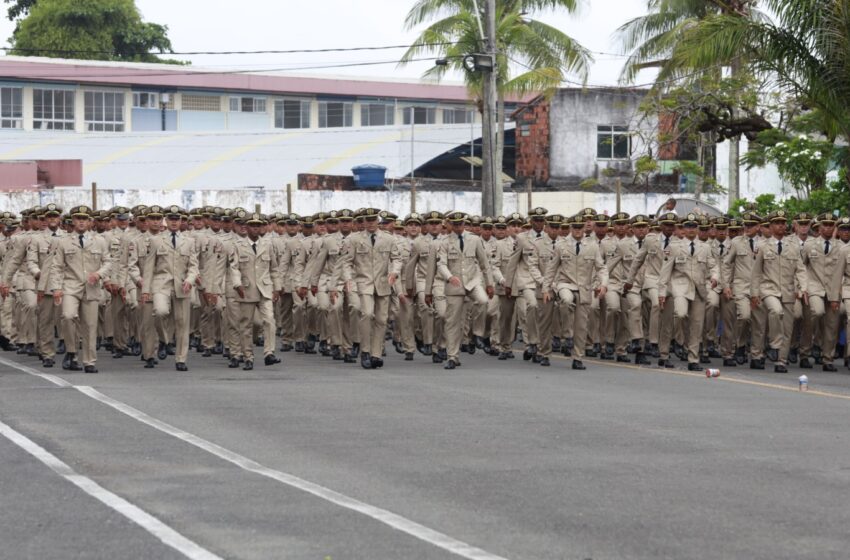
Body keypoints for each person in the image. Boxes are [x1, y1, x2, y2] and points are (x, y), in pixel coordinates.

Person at [48, 205, 112, 373]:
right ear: (73, 221)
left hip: (91, 288)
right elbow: (56, 267)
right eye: (78, 219)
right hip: (70, 286)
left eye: (84, 219)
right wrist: (56, 288)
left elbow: (108, 262)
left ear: (90, 221)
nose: (81, 222)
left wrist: (99, 274)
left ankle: (89, 361)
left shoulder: (99, 241)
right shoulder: (63, 241)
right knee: (68, 317)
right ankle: (71, 351)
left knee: (90, 326)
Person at [543, 214, 608, 370]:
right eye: (575, 227)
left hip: (585, 288)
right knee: (565, 300)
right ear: (570, 228)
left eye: (580, 228)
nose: (578, 231)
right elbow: (551, 269)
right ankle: (567, 334)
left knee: (582, 326)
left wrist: (603, 284)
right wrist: (546, 288)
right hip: (565, 284)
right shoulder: (561, 245)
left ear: (584, 228)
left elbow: (601, 268)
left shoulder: (592, 246)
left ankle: (577, 357)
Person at [142, 206, 199, 371]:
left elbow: (194, 266)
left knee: (182, 324)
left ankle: (181, 359)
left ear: (181, 221)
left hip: (182, 285)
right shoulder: (156, 240)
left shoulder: (189, 241)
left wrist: (190, 280)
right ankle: (164, 340)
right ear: (166, 221)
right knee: (159, 312)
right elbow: (148, 267)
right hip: (161, 283)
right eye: (171, 219)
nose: (174, 222)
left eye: (177, 219)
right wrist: (146, 290)